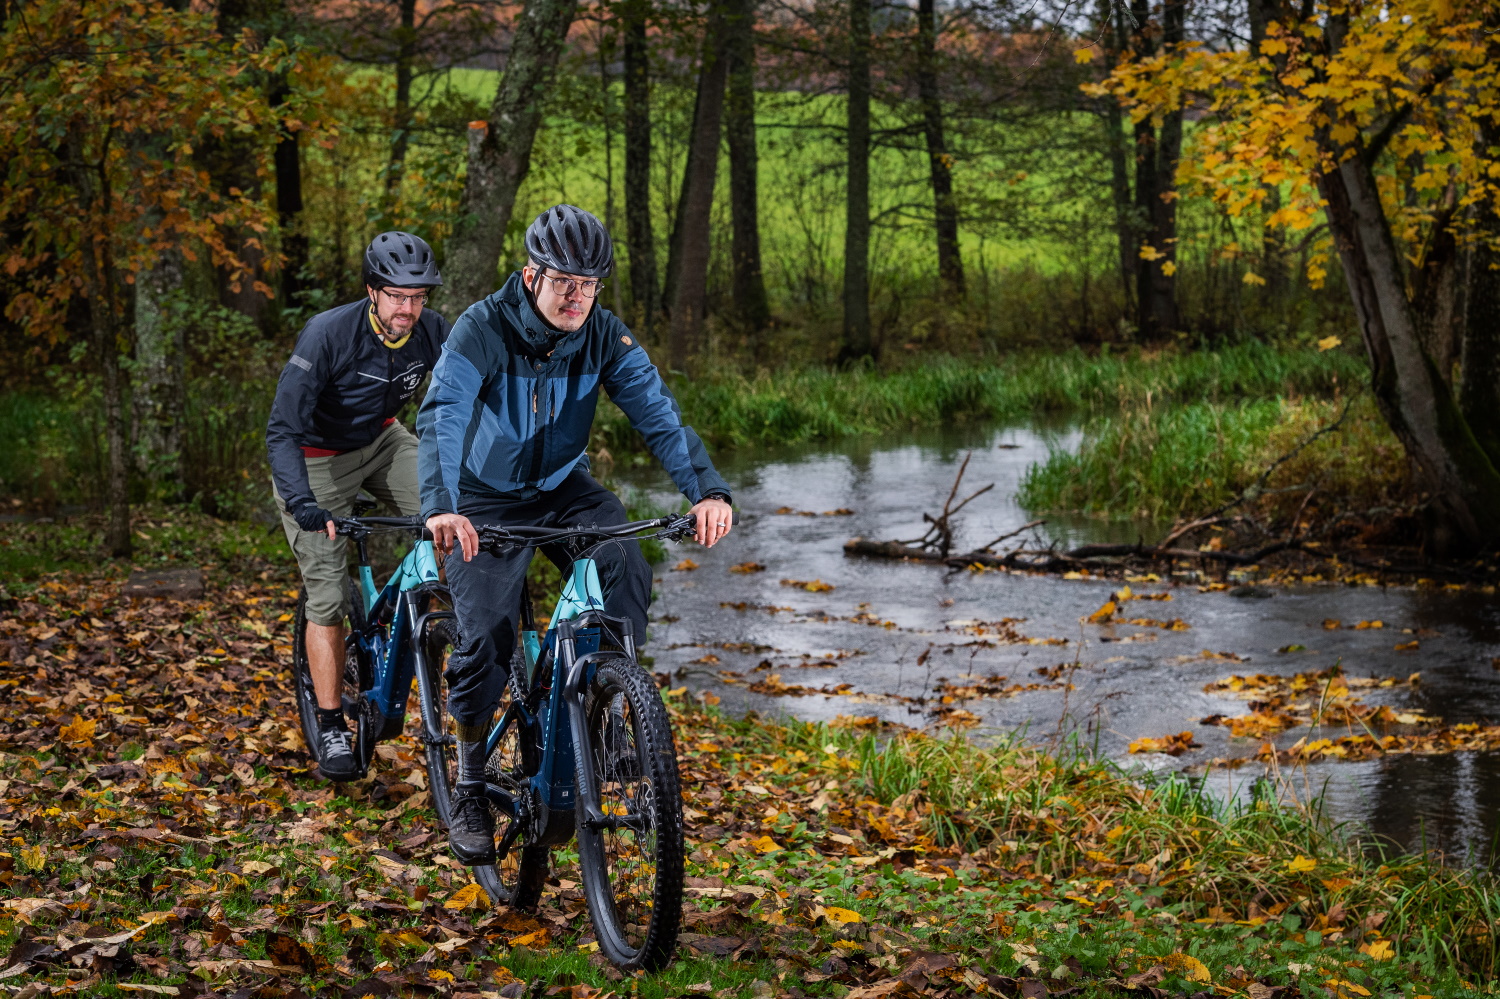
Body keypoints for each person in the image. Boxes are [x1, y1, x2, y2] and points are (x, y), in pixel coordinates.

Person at [417, 204, 733, 865]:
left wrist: (705, 488)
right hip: (481, 499)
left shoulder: (601, 334)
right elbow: (443, 412)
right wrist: (443, 505)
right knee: (489, 633)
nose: (577, 296)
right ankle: (471, 781)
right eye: (564, 281)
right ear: (532, 274)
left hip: (563, 487)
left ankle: (608, 717)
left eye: (589, 284)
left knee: (625, 561)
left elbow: (657, 411)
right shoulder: (482, 328)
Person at [266, 231, 449, 781]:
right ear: (373, 291)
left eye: (418, 297)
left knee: (453, 515)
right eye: (397, 296)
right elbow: (281, 430)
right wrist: (301, 500)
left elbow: (467, 400)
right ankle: (329, 723)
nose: (409, 309)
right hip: (317, 457)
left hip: (383, 440)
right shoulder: (328, 334)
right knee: (327, 593)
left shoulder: (433, 333)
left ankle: (408, 609)